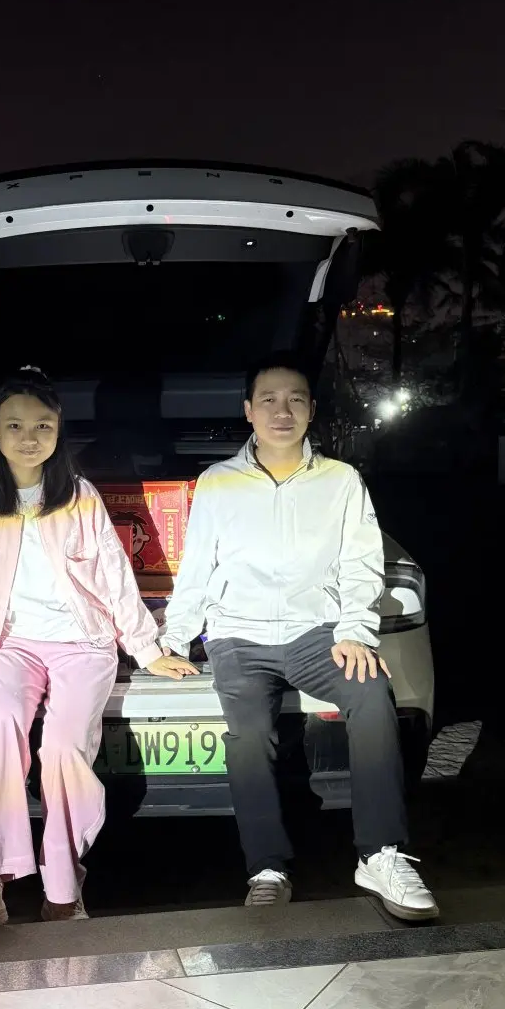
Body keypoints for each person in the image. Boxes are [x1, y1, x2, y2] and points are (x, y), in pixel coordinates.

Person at [161, 353, 438, 920]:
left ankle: (380, 854)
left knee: (370, 695)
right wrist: (176, 638)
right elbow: (198, 566)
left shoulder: (341, 480)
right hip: (238, 636)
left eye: (294, 400)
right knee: (248, 734)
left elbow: (361, 562)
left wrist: (355, 631)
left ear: (311, 410)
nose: (281, 411)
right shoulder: (217, 482)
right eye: (268, 399)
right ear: (248, 410)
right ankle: (267, 867)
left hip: (317, 635)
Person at [0, 369, 197, 944]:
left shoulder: (79, 496)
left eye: (43, 426)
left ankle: (62, 887)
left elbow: (114, 576)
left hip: (83, 643)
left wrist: (146, 648)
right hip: (7, 646)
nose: (29, 437)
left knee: (62, 747)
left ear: (59, 432)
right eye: (15, 426)